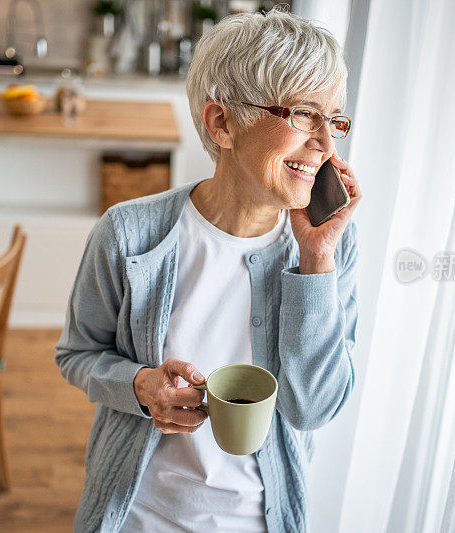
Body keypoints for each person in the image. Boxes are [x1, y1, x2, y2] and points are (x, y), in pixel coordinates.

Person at [55, 6, 361, 532]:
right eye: (304, 115)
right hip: (136, 515)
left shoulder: (329, 246)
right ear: (222, 122)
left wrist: (315, 261)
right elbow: (78, 355)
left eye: (333, 119)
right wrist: (140, 385)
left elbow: (314, 409)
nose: (327, 145)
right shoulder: (129, 235)